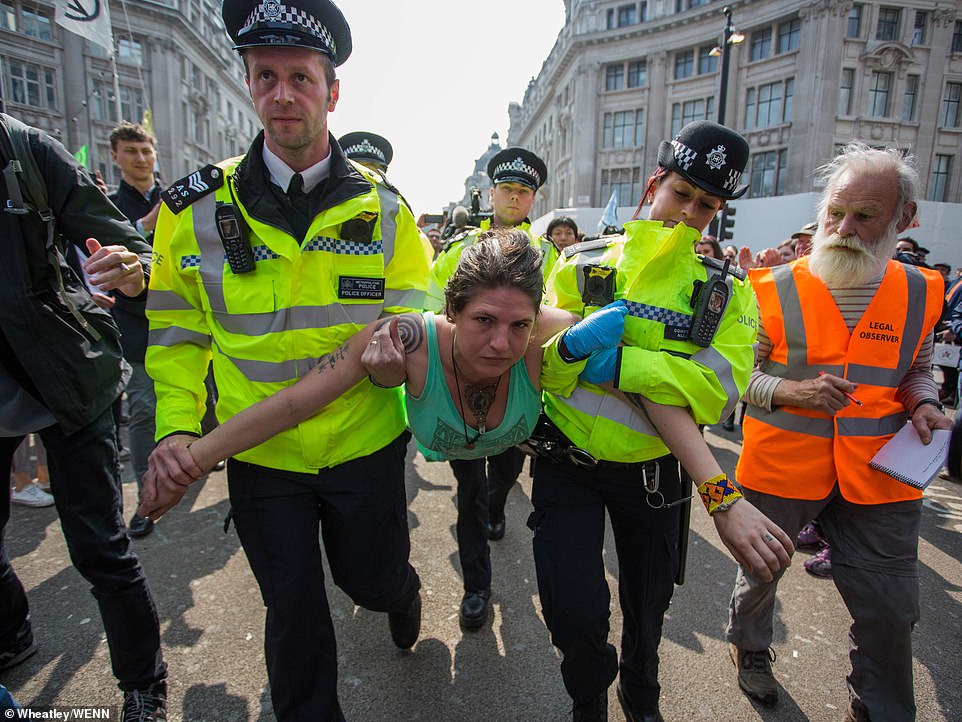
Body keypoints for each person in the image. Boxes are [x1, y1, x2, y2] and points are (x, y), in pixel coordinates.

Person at [144, 2, 431, 719]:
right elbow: (178, 336)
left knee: (372, 581)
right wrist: (176, 428)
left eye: (300, 77)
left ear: (332, 93)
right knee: (295, 613)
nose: (282, 95)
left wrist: (398, 357)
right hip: (263, 458)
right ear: (248, 84)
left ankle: (402, 591)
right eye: (264, 76)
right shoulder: (194, 210)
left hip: (364, 445)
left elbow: (412, 327)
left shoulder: (388, 211)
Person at [530, 120, 792, 721]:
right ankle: (588, 695)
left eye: (707, 204)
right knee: (572, 609)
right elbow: (538, 364)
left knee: (648, 607)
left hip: (653, 475)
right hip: (566, 462)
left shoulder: (728, 293)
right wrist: (570, 353)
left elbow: (714, 395)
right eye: (682, 193)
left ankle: (640, 693)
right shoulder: (580, 262)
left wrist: (617, 361)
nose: (690, 212)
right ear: (654, 185)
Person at [726, 142, 949, 721]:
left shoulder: (922, 290)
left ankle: (879, 706)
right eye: (835, 212)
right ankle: (751, 649)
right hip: (783, 466)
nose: (844, 228)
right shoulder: (767, 286)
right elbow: (732, 378)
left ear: (904, 219)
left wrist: (923, 404)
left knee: (890, 605)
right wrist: (790, 391)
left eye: (865, 216)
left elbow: (916, 370)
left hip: (881, 473)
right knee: (760, 573)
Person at [0, 113, 167, 720]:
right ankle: (14, 630)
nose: (141, 157)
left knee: (97, 544)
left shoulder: (28, 152)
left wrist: (132, 268)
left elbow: (139, 253)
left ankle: (143, 681)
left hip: (69, 374)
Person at [424, 146, 559, 628]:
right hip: (462, 388)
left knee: (505, 470)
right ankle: (476, 586)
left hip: (518, 392)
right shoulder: (462, 247)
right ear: (491, 192)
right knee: (469, 492)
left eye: (525, 192)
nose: (515, 198)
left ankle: (498, 500)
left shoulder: (548, 254)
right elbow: (432, 304)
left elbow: (554, 319)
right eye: (507, 189)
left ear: (533, 200)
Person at [107, 121, 163, 537]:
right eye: (131, 152)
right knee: (143, 407)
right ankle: (149, 490)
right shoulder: (107, 204)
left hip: (192, 316)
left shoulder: (181, 197)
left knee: (209, 391)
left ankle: (205, 447)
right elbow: (103, 251)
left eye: (145, 151)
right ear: (116, 157)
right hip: (139, 325)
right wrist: (146, 224)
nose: (141, 159)